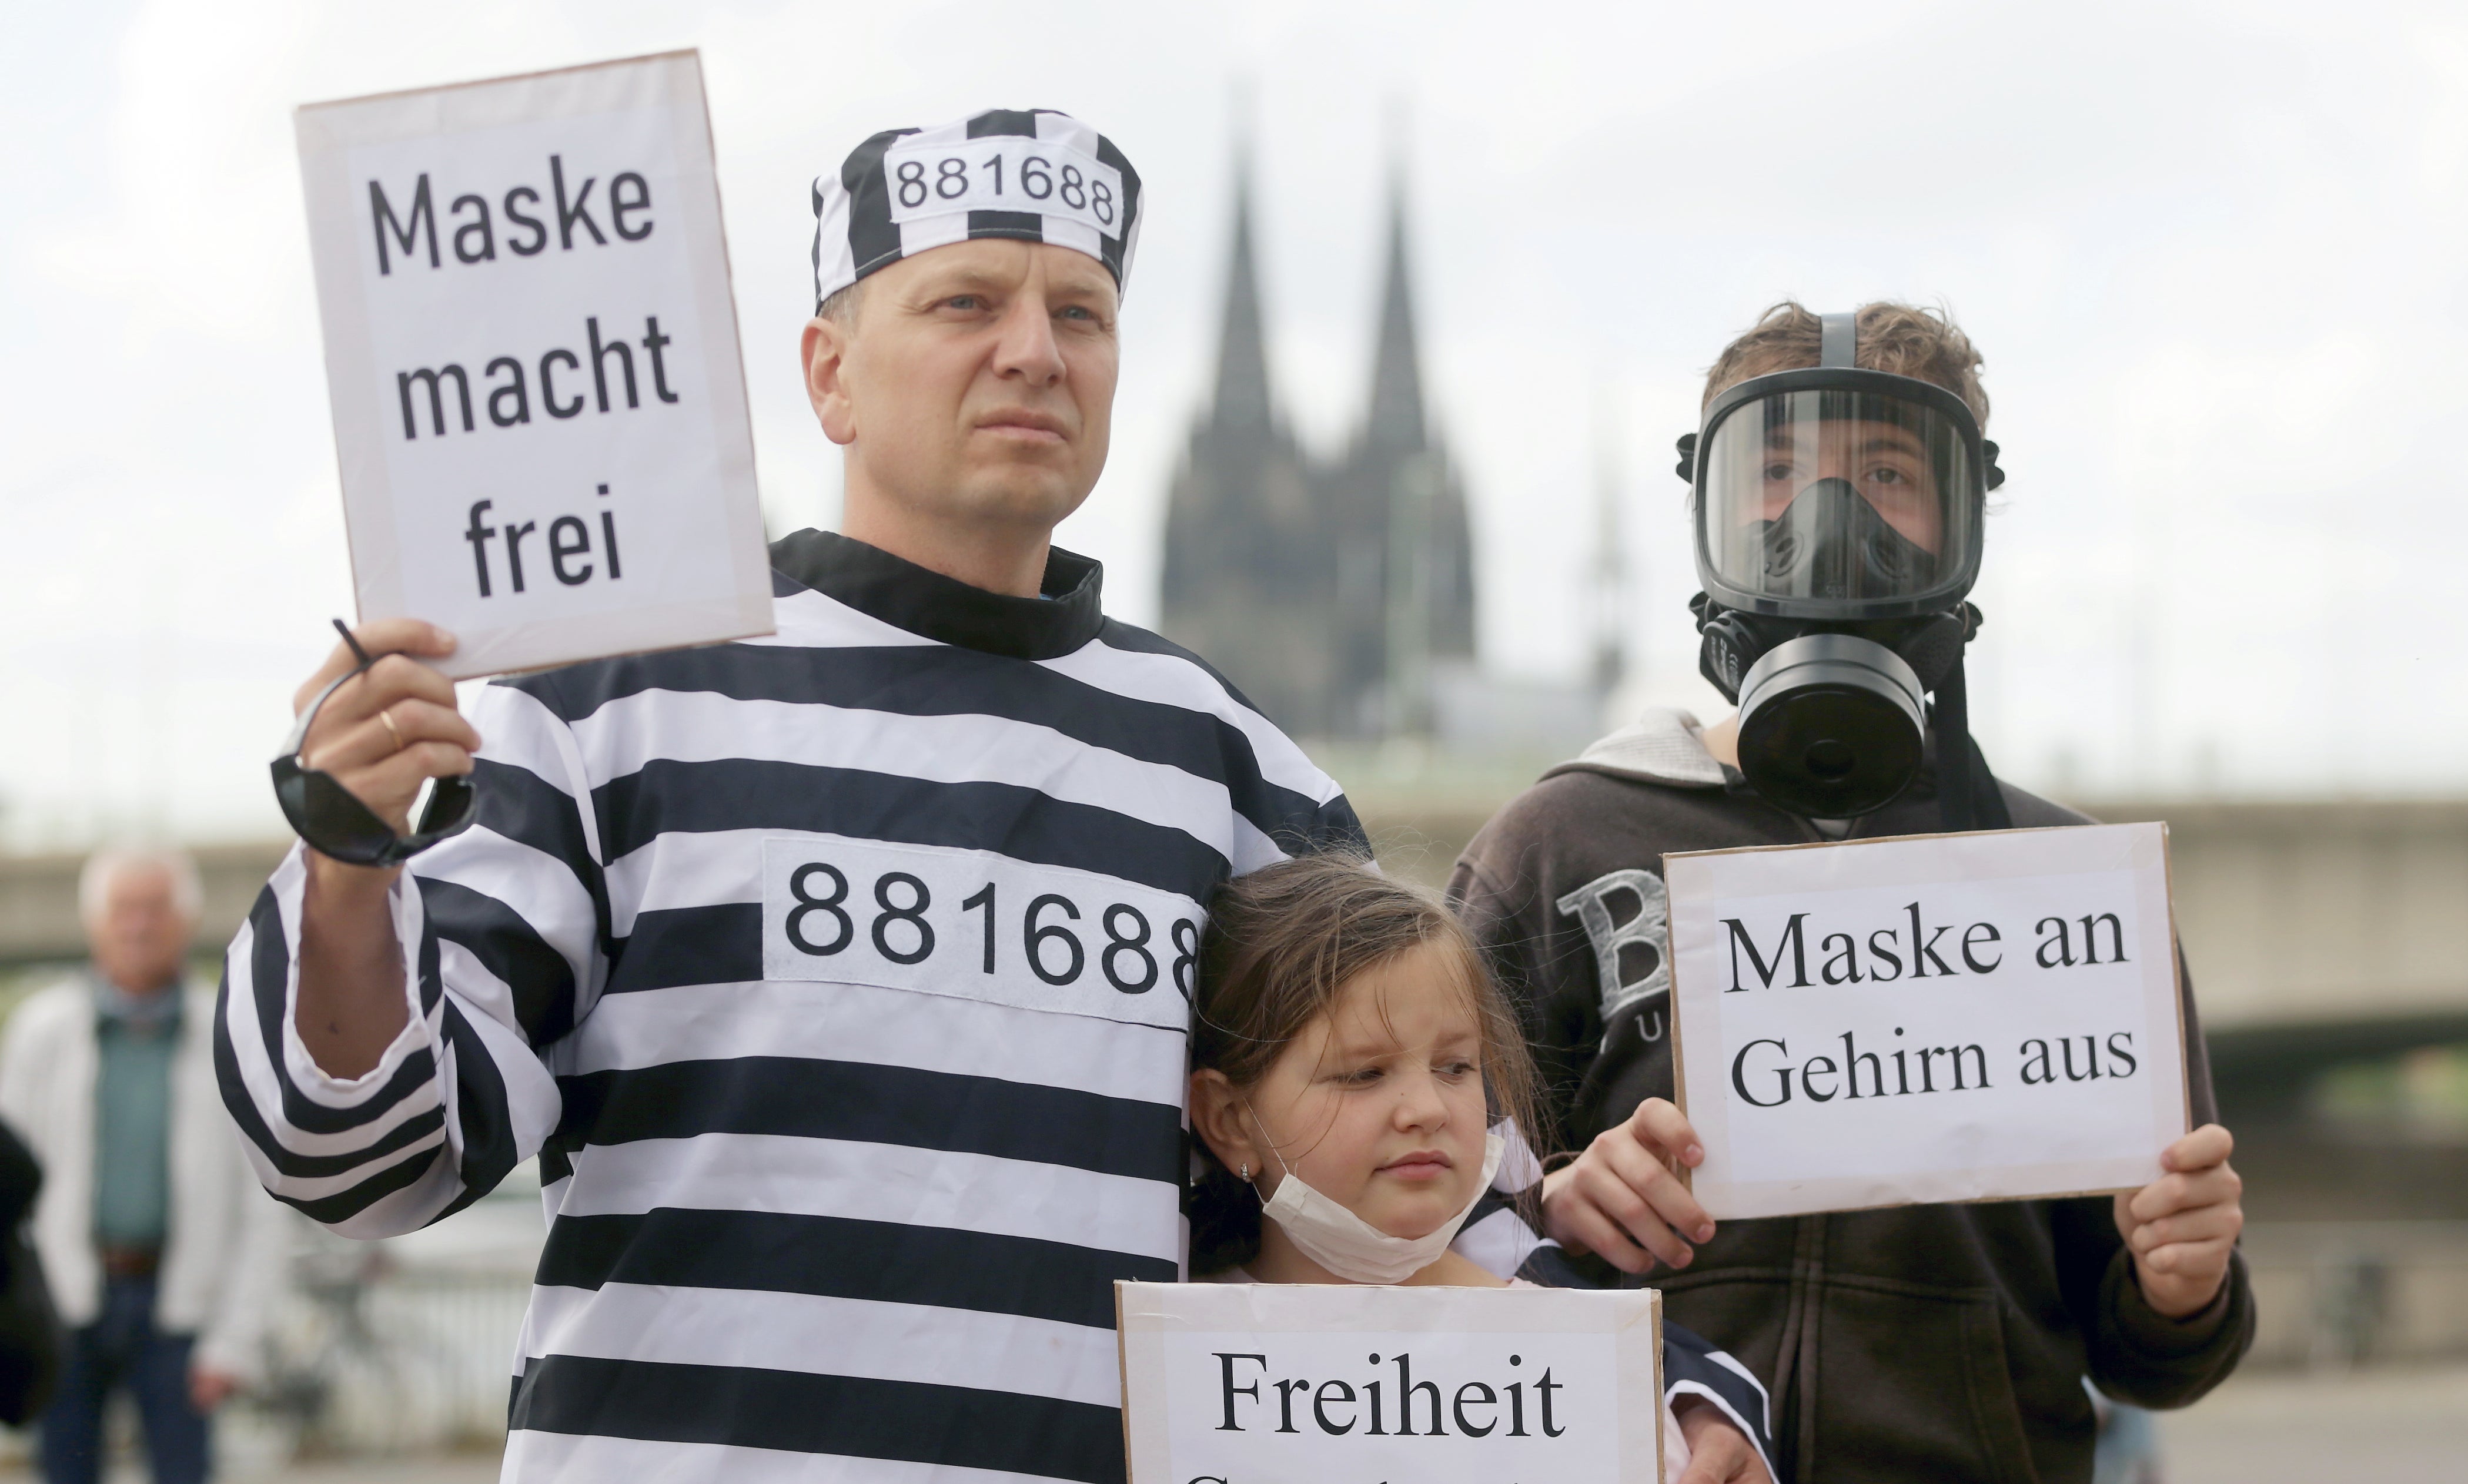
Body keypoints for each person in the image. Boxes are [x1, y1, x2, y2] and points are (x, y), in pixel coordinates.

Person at [219, 110, 1375, 1482]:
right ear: (830, 375)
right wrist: (351, 866)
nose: (1035, 350)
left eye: (1083, 311)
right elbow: (359, 1163)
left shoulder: (1238, 768)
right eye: (966, 301)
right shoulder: (612, 696)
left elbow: (1415, 1189)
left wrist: (1653, 1314)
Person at [1449, 302, 2253, 1483]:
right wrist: (1554, 1205)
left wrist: (2181, 1284)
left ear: (1961, 522)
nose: (1824, 517)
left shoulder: (2070, 892)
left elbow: (2150, 1351)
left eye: (1885, 470)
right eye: (1773, 468)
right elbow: (1406, 1239)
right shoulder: (1558, 846)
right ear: (1709, 513)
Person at [1184, 854, 1774, 1482]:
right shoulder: (1166, 1356)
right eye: (1363, 1073)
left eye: (1456, 1066)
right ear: (1229, 1119)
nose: (1428, 1109)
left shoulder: (1592, 1363)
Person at [0, 847, 285, 1484]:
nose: (139, 925)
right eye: (123, 909)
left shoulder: (231, 1029)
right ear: (94, 922)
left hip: (182, 1309)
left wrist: (235, 1339)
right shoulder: (42, 1032)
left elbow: (265, 1201)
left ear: (186, 920)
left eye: (155, 908)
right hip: (66, 1301)